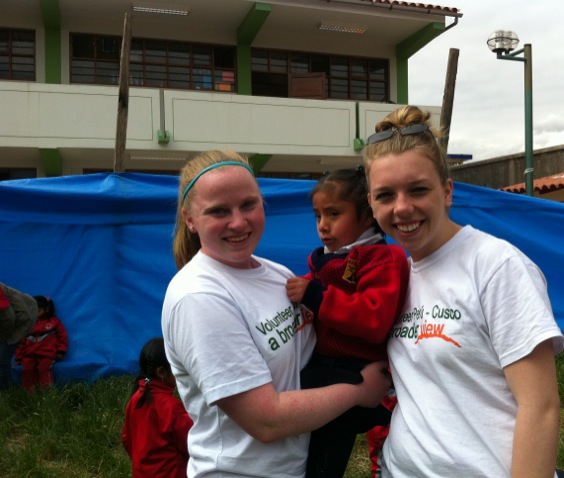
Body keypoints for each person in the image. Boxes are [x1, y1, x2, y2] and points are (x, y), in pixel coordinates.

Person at [161, 150, 391, 478]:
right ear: (190, 219)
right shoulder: (199, 297)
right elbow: (266, 420)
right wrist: (359, 390)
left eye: (248, 205)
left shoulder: (278, 275)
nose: (238, 222)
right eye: (219, 211)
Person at [362, 105, 564, 478]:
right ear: (371, 204)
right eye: (386, 195)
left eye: (418, 189)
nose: (402, 208)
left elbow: (541, 407)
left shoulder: (494, 266)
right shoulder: (393, 277)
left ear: (447, 190)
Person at [285, 167, 409, 478]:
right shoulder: (328, 257)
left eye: (333, 214)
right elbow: (312, 283)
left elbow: (375, 318)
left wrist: (318, 298)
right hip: (325, 365)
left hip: (356, 370)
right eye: (317, 216)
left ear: (367, 216)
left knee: (328, 454)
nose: (323, 226)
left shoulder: (381, 258)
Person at [122, 337, 193, 478]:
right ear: (162, 372)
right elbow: (192, 443)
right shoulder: (172, 408)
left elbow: (126, 439)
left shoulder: (135, 400)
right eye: (177, 366)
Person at [14, 295, 68, 390]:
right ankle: (29, 394)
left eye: (38, 310)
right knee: (27, 370)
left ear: (46, 309)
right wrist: (18, 357)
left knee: (44, 369)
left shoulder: (53, 322)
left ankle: (47, 393)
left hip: (47, 355)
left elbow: (62, 337)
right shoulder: (28, 323)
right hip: (29, 355)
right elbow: (22, 341)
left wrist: (61, 351)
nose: (35, 313)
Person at [0, 283, 38, 391]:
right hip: (12, 316)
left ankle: (3, 393)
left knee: (2, 360)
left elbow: (9, 318)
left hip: (20, 320)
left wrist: (1, 339)